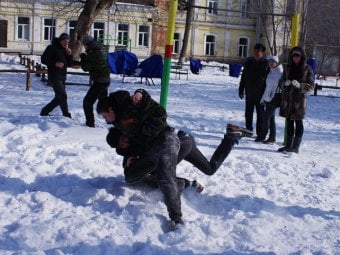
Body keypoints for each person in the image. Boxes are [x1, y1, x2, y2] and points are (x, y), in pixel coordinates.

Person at [96, 89, 183, 229]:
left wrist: (141, 93)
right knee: (131, 177)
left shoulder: (132, 103)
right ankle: (183, 183)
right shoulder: (117, 123)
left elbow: (161, 113)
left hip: (165, 139)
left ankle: (176, 219)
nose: (106, 121)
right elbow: (125, 144)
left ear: (111, 109)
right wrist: (129, 158)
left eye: (105, 116)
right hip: (148, 149)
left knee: (165, 177)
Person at [278, 46, 314, 153]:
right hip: (288, 100)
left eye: (298, 56)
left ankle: (296, 147)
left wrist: (300, 85)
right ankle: (288, 145)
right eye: (294, 56)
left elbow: (311, 86)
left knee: (298, 123)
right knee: (289, 122)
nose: (295, 58)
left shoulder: (307, 69)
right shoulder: (288, 68)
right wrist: (285, 83)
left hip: (299, 101)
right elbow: (280, 82)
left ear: (302, 57)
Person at [239, 43, 269, 141]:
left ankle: (259, 133)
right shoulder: (249, 62)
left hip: (261, 93)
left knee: (260, 114)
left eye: (258, 52)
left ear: (262, 53)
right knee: (248, 112)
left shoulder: (266, 64)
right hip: (249, 91)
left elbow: (269, 80)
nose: (256, 53)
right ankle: (248, 130)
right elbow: (244, 76)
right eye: (255, 51)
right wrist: (241, 88)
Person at [40, 33, 74, 118]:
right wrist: (55, 63)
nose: (66, 44)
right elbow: (43, 60)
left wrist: (69, 55)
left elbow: (69, 63)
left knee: (59, 97)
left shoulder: (65, 50)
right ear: (60, 40)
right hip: (54, 75)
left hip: (62, 76)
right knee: (63, 95)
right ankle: (66, 114)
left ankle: (44, 111)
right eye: (64, 41)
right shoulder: (52, 48)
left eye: (68, 42)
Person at [80, 35, 111, 127]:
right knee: (103, 102)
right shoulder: (97, 50)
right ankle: (110, 121)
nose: (84, 47)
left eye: (84, 45)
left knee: (87, 102)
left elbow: (85, 67)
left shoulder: (93, 53)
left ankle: (90, 123)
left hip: (100, 81)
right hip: (105, 80)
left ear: (87, 45)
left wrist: (82, 58)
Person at [257, 56, 283, 143]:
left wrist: (270, 97)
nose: (271, 63)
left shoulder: (279, 72)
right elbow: (268, 87)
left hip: (275, 98)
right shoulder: (271, 72)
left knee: (266, 117)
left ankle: (262, 136)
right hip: (269, 98)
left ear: (277, 63)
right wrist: (264, 98)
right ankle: (272, 137)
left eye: (273, 62)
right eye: (270, 62)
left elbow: (275, 87)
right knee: (271, 118)